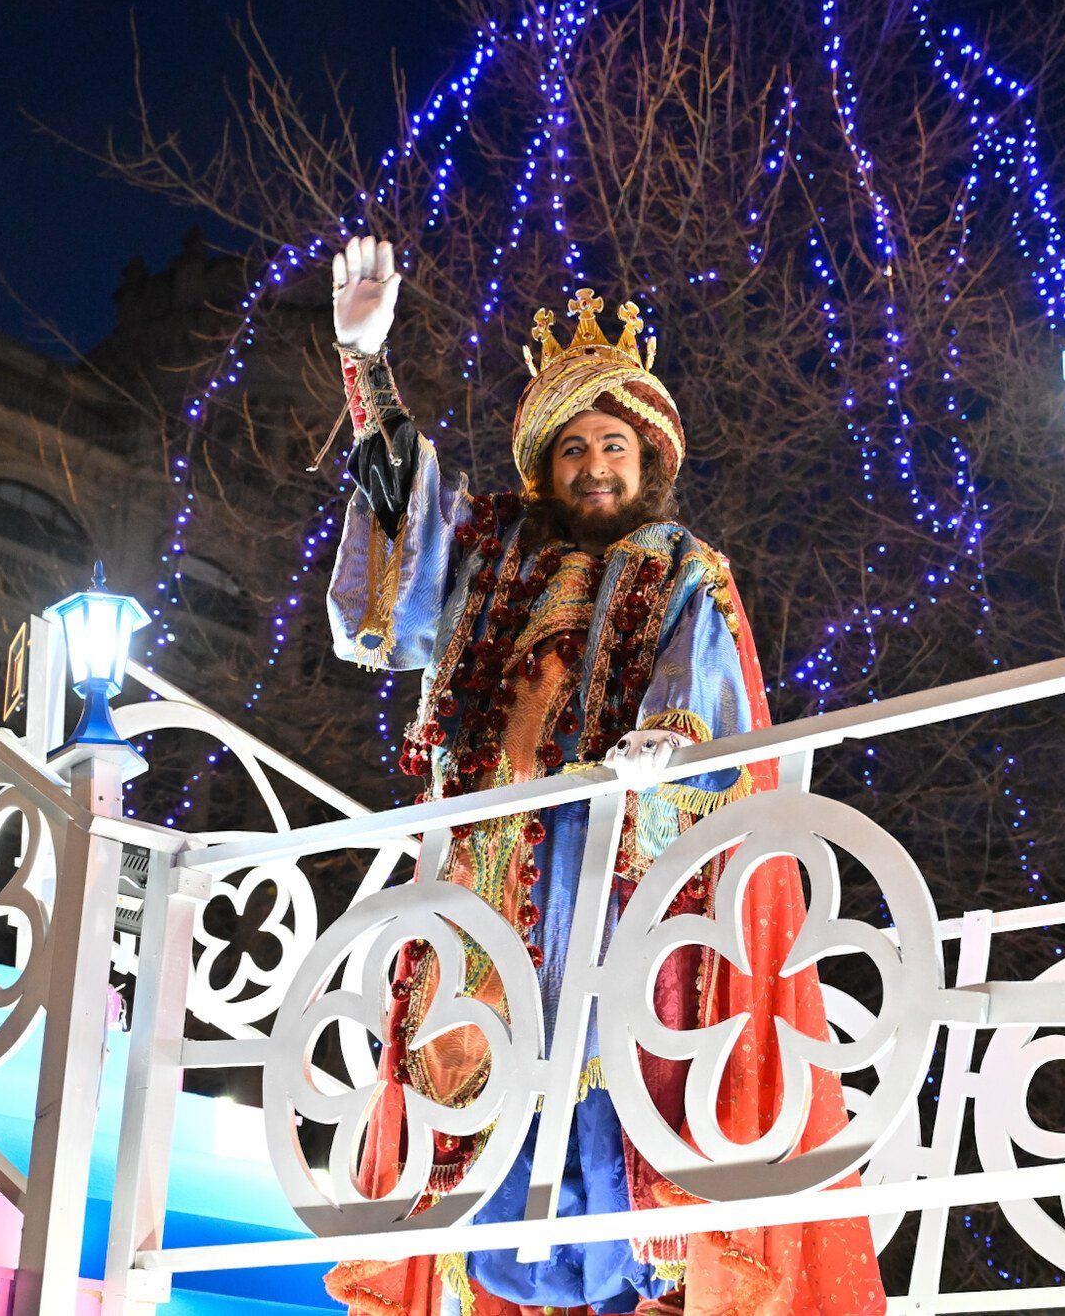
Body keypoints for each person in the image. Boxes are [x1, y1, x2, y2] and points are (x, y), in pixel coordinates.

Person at [323, 236, 883, 1316]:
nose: (592, 464)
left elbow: (704, 700)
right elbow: (396, 557)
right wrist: (366, 364)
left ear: (647, 459)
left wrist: (665, 747)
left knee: (603, 1067)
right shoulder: (489, 554)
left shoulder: (680, 564)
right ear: (546, 461)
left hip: (611, 866)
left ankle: (625, 1273)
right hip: (482, 864)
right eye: (572, 445)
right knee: (471, 1077)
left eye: (612, 443)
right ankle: (501, 1270)